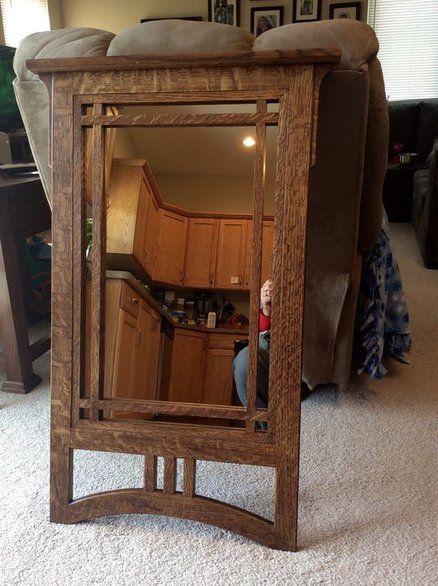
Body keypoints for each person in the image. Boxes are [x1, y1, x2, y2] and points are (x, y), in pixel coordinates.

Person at [233, 279, 272, 411]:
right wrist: (266, 308)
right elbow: (263, 338)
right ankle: (264, 429)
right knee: (246, 360)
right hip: (272, 358)